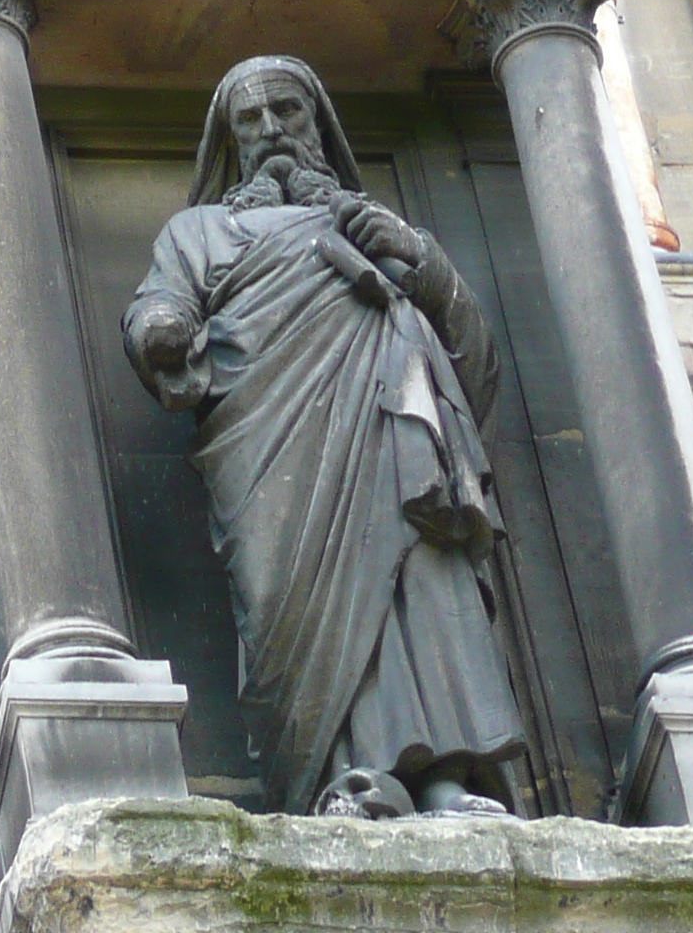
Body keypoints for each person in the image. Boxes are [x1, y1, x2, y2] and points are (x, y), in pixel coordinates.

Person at [124, 56, 527, 815]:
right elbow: (158, 308)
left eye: (289, 111)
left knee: (417, 586)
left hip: (393, 436)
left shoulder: (377, 225)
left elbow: (477, 359)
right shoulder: (201, 231)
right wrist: (159, 330)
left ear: (320, 124)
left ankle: (443, 782)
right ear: (231, 138)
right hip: (273, 447)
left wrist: (421, 261)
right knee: (294, 603)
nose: (272, 130)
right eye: (251, 118)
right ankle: (340, 780)